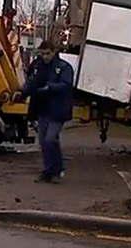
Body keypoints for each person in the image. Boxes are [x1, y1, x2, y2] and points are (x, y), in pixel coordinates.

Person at [21, 40, 74, 183]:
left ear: (54, 52)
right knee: (45, 142)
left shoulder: (63, 67)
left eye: (47, 53)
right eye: (42, 54)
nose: (45, 56)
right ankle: (50, 171)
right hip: (43, 108)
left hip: (58, 109)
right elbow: (32, 83)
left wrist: (50, 87)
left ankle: (55, 169)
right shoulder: (38, 67)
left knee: (50, 139)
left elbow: (66, 85)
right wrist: (22, 93)